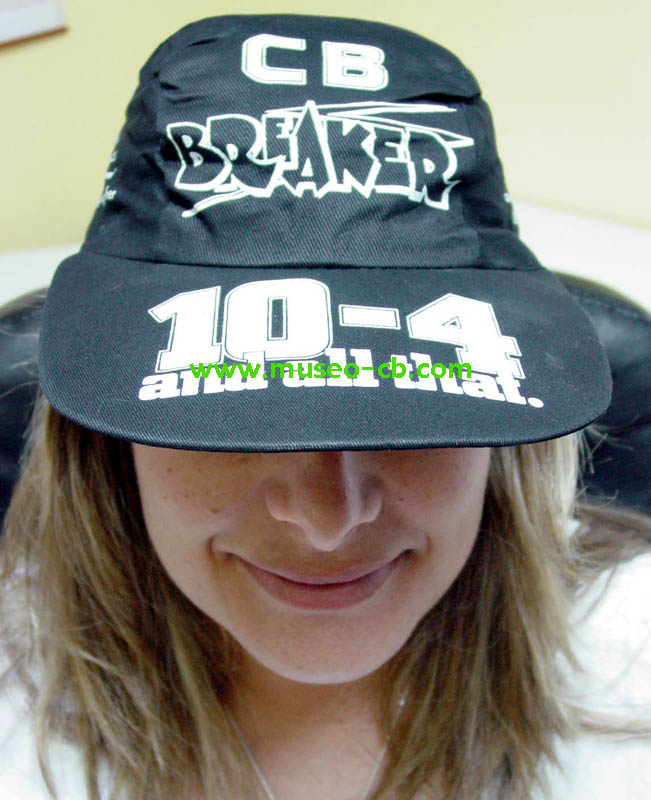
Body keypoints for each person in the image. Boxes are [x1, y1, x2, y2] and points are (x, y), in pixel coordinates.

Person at [1, 13, 650, 800]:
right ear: (109, 443)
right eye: (231, 411)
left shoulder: (632, 661)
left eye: (410, 403)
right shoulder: (15, 716)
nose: (326, 517)